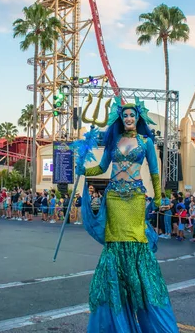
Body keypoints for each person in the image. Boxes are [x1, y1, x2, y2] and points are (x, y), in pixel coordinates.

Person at [76, 97, 178, 333]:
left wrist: (160, 196)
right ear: (121, 119)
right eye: (125, 116)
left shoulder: (146, 142)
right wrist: (83, 169)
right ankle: (116, 314)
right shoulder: (113, 141)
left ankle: (142, 298)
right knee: (115, 246)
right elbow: (101, 168)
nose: (129, 118)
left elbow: (154, 170)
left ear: (138, 118)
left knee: (136, 243)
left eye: (132, 115)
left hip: (135, 197)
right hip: (113, 197)